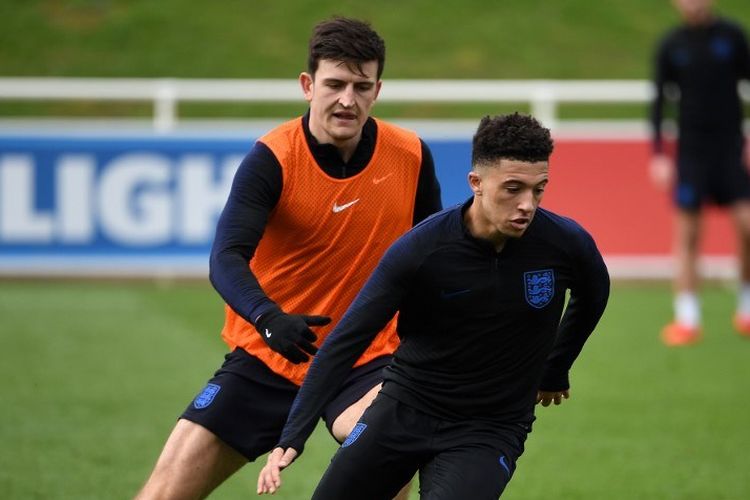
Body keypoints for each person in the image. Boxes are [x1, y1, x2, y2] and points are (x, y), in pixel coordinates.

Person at [135, 16, 442, 500]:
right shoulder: (274, 158)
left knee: (390, 446)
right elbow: (226, 256)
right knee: (164, 493)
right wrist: (268, 318)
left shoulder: (409, 155)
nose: (348, 99)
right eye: (335, 84)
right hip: (270, 355)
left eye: (362, 86)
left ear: (377, 89)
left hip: (368, 356)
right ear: (307, 84)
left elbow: (434, 258)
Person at [257, 113, 610, 499]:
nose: (527, 204)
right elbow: (347, 339)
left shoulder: (565, 243)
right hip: (403, 409)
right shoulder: (422, 248)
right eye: (513, 189)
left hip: (489, 428)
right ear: (475, 183)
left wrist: (555, 368)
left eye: (538, 189)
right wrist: (293, 435)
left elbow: (595, 294)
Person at [650, 0, 750, 346]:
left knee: (747, 226)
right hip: (691, 153)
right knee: (688, 235)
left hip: (729, 150)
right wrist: (659, 154)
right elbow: (659, 101)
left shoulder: (732, 36)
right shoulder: (672, 44)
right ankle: (687, 318)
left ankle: (746, 310)